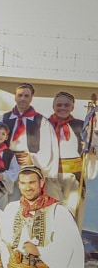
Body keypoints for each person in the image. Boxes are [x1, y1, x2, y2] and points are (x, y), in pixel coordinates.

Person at [45, 91, 97, 227]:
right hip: (51, 175)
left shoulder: (81, 126)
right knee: (50, 210)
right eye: (59, 105)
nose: (62, 108)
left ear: (72, 107)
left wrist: (90, 150)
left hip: (74, 175)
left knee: (73, 211)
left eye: (66, 105)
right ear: (53, 106)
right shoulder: (44, 125)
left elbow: (93, 143)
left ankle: (71, 237)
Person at [0, 83, 55, 172]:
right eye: (20, 95)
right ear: (15, 97)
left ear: (31, 98)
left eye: (26, 96)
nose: (22, 99)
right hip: (7, 164)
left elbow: (48, 146)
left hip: (29, 165)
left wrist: (33, 159)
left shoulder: (41, 121)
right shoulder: (5, 118)